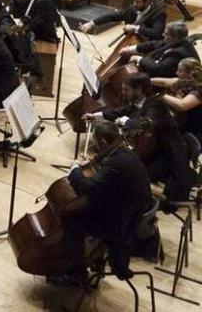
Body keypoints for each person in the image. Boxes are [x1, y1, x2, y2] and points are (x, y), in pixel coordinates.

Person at [47, 120, 152, 286]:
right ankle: (91, 257)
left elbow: (86, 187)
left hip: (119, 222)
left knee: (70, 217)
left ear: (104, 142)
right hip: (127, 210)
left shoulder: (117, 162)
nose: (95, 148)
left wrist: (74, 169)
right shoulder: (122, 151)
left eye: (96, 144)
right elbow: (104, 172)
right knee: (79, 209)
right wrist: (91, 163)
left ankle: (77, 274)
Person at [84, 73, 193, 203]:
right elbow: (122, 111)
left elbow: (147, 125)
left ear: (139, 89)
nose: (123, 92)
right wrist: (96, 116)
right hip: (153, 148)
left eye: (127, 89)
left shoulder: (155, 104)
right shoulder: (141, 101)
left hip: (166, 156)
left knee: (128, 174)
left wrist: (126, 121)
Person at [121, 21, 198, 78]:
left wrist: (139, 59)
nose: (163, 35)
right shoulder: (177, 41)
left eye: (166, 34)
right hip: (157, 68)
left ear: (175, 38)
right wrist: (131, 49)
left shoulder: (180, 53)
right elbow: (154, 44)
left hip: (162, 82)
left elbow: (159, 69)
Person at [79, 0, 165, 41]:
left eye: (138, 2)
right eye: (134, 1)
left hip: (147, 47)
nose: (134, 4)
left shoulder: (158, 15)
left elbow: (156, 33)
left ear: (147, 2)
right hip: (129, 41)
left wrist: (135, 28)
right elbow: (113, 16)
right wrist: (91, 23)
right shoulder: (132, 9)